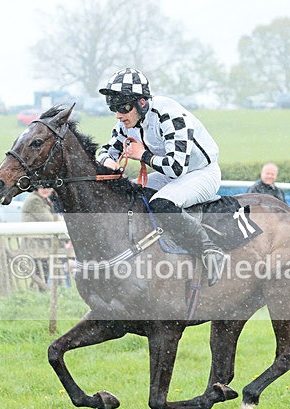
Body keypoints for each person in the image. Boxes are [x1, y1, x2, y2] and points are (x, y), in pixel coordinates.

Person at [96, 67, 226, 286]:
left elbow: (176, 168)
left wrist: (143, 155)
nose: (118, 114)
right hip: (171, 174)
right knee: (133, 196)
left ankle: (209, 249)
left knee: (162, 203)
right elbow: (105, 151)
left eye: (122, 107)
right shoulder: (126, 122)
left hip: (201, 173)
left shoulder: (171, 116)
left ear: (142, 102)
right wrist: (107, 161)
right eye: (113, 107)